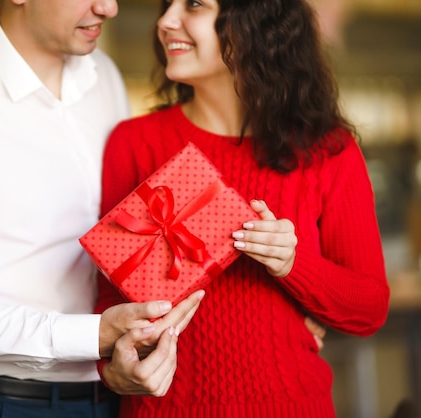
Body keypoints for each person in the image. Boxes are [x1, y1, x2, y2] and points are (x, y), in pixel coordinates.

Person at [0, 1, 206, 417]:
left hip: (114, 395)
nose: (109, 8)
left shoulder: (104, 78)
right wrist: (91, 335)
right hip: (0, 404)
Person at [94, 0, 390, 417]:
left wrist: (293, 264)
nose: (165, 21)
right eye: (167, 5)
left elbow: (369, 308)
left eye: (194, 5)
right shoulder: (135, 143)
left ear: (255, 23)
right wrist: (112, 367)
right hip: (162, 410)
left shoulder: (329, 152)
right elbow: (105, 300)